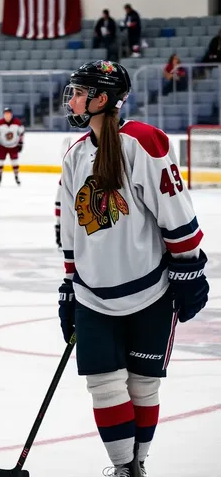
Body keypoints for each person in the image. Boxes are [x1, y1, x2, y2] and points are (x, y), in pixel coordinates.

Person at [58, 60, 209, 476]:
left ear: (100, 99)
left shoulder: (143, 141)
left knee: (143, 384)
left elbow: (175, 207)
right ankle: (125, 468)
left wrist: (188, 267)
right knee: (104, 386)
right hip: (92, 295)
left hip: (151, 290)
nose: (70, 99)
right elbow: (69, 230)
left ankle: (137, 463)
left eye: (77, 91)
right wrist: (69, 286)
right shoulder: (75, 155)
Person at [0, 107, 24, 186]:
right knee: (0, 162)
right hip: (2, 146)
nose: (7, 115)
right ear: (4, 115)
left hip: (14, 146)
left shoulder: (17, 122)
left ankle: (17, 177)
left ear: (11, 114)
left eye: (9, 114)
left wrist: (20, 143)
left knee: (15, 162)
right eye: (6, 114)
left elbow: (21, 133)